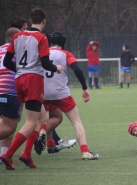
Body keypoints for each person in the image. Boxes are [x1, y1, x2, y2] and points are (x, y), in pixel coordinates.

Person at [0, 8, 62, 170]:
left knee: (42, 117)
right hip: (33, 80)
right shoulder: (41, 38)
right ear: (44, 21)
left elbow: (7, 62)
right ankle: (8, 155)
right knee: (31, 121)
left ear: (30, 19)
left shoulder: (17, 36)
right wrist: (57, 68)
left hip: (19, 81)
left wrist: (20, 70)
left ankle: (27, 154)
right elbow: (45, 64)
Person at [36, 31, 99, 160]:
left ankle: (44, 133)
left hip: (44, 93)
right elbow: (77, 69)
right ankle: (85, 152)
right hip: (61, 93)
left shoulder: (42, 52)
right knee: (76, 122)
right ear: (63, 44)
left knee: (46, 118)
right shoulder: (65, 54)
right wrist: (85, 89)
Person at [0, 27, 22, 164]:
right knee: (10, 126)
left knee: (5, 124)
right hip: (8, 91)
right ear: (15, 38)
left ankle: (3, 155)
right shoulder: (16, 51)